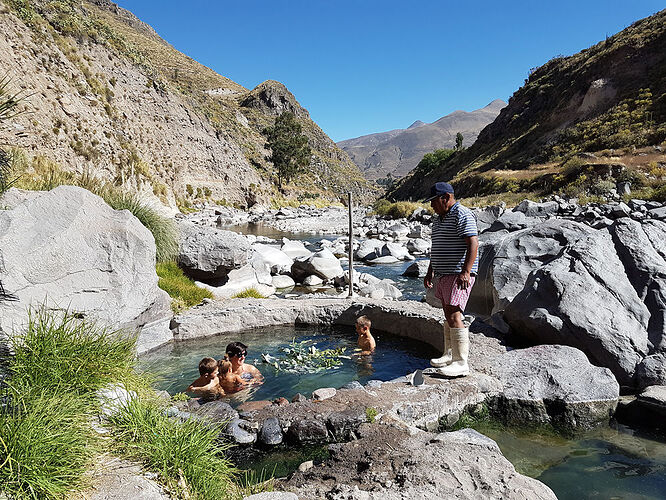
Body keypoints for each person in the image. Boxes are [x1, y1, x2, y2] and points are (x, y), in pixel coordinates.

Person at [423, 182, 479, 377]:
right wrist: (430, 270)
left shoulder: (462, 214)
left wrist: (466, 271)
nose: (432, 206)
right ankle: (449, 355)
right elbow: (436, 246)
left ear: (446, 197)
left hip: (458, 273)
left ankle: (461, 362)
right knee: (447, 313)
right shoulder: (439, 219)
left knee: (455, 315)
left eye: (434, 201)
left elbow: (473, 242)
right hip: (443, 273)